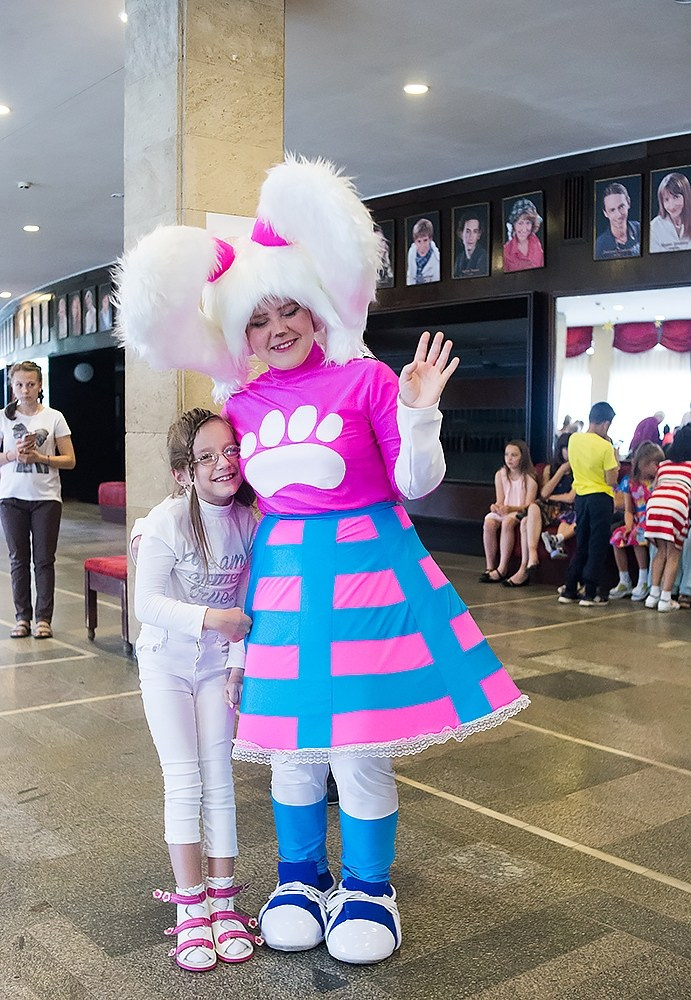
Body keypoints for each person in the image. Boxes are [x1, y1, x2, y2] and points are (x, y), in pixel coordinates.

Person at [116, 156, 529, 967]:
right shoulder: (240, 404)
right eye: (258, 319)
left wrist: (419, 413)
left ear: (313, 309)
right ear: (239, 334)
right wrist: (161, 525)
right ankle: (299, 881)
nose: (277, 328)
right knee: (291, 753)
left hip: (369, 580)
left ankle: (369, 887)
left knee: (357, 750)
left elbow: (414, 482)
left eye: (288, 310)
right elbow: (223, 491)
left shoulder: (365, 378)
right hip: (281, 591)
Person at [132, 408, 262, 972]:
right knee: (184, 780)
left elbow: (249, 602)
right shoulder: (163, 523)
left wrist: (236, 663)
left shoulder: (249, 522)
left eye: (230, 450)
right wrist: (213, 619)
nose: (223, 463)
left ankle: (223, 903)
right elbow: (146, 604)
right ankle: (190, 908)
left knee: (220, 779)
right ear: (183, 472)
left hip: (214, 668)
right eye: (206, 457)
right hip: (165, 665)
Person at [0, 362, 76, 639]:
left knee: (44, 560)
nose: (25, 390)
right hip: (11, 497)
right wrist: (13, 455)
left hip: (46, 498)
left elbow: (70, 460)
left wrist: (40, 457)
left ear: (40, 385)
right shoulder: (3, 417)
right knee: (18, 560)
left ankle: (43, 619)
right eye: (20, 385)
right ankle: (22, 618)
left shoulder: (54, 417)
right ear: (12, 386)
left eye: (31, 384)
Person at [558, 401, 619, 607]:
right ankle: (590, 592)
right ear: (605, 423)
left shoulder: (574, 439)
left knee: (582, 543)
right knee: (597, 545)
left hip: (581, 498)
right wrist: (615, 457)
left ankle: (569, 588)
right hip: (601, 498)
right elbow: (611, 480)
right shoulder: (606, 447)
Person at [505, 433, 576, 587]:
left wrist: (551, 497)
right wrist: (560, 471)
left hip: (566, 510)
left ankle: (526, 568)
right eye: (566, 449)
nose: (569, 453)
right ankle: (530, 559)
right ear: (560, 450)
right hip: (547, 509)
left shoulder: (580, 470)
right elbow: (543, 493)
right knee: (528, 515)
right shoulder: (550, 469)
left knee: (527, 518)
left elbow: (570, 498)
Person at [608, 441, 664, 601]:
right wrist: (628, 525)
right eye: (653, 464)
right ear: (641, 464)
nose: (657, 467)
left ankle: (643, 579)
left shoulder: (658, 481)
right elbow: (628, 510)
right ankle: (624, 579)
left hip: (653, 519)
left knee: (637, 536)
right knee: (617, 536)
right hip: (637, 519)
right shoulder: (630, 482)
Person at [643, 425, 691, 612]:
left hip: (655, 505)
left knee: (660, 551)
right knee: (673, 553)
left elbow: (655, 486)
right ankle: (665, 598)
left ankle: (653, 595)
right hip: (676, 506)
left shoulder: (663, 465)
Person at [480, 440, 538, 583]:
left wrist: (511, 509)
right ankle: (489, 566)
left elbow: (528, 506)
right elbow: (500, 499)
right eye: (507, 455)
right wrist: (496, 506)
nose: (509, 459)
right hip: (505, 509)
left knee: (507, 522)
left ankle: (503, 567)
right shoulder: (500, 475)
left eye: (514, 455)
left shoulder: (529, 478)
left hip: (518, 511)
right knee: (489, 522)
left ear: (523, 457)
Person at [594, 182, 640, 260]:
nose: (618, 215)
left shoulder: (643, 230)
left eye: (621, 207)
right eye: (612, 210)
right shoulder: (599, 246)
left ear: (628, 203)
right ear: (605, 213)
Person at [650, 172, 691, 253]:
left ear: (686, 196)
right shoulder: (655, 227)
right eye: (666, 199)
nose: (671, 206)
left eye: (676, 197)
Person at [502, 198, 544, 272]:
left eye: (528, 223)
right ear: (514, 225)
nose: (524, 229)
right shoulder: (506, 251)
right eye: (520, 223)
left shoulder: (537, 242)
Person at [453, 211, 488, 278]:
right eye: (467, 231)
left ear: (478, 235)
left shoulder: (484, 257)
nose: (471, 236)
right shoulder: (459, 259)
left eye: (475, 231)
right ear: (461, 234)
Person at [406, 217, 440, 284]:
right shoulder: (411, 252)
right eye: (419, 241)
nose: (422, 245)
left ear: (430, 239)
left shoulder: (436, 258)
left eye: (425, 240)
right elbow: (410, 277)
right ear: (415, 241)